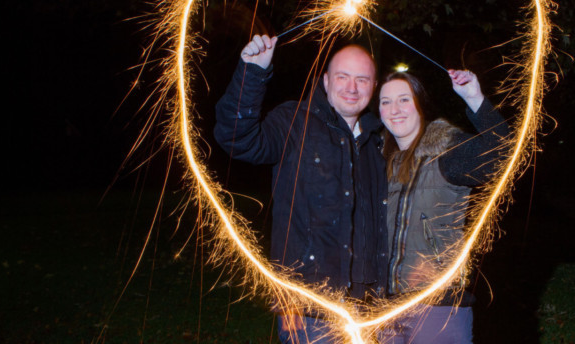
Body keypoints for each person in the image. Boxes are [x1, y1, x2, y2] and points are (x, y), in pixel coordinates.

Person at [214, 35, 388, 344]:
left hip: (369, 314)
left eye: (362, 79)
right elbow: (237, 138)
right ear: (325, 81)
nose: (352, 87)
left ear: (373, 87)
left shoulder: (379, 143)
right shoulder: (294, 122)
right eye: (342, 77)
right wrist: (252, 74)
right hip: (309, 314)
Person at [377, 70, 509, 344]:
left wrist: (475, 98)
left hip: (438, 308)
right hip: (387, 310)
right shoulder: (381, 165)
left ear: (420, 104)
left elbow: (503, 156)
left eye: (404, 99)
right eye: (385, 102)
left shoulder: (446, 153)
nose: (395, 109)